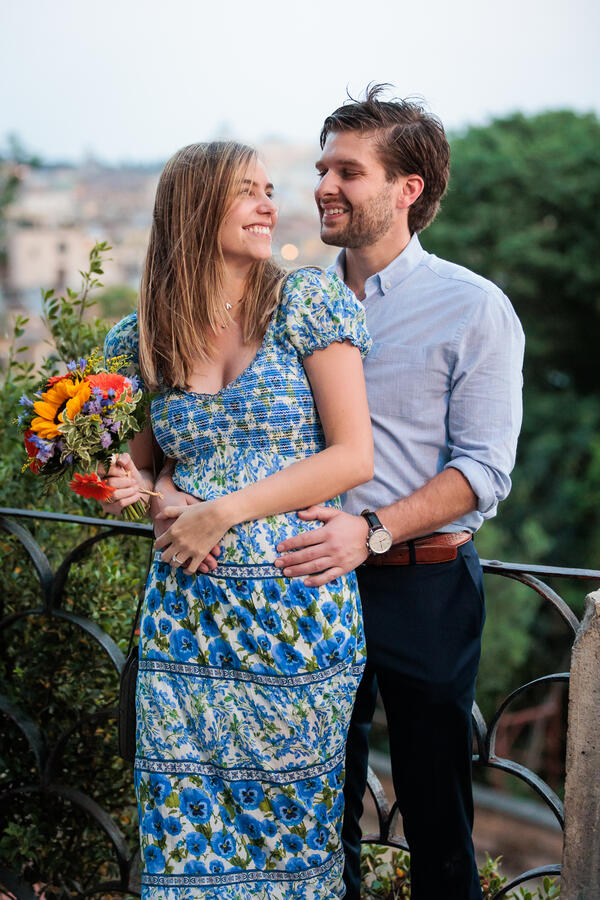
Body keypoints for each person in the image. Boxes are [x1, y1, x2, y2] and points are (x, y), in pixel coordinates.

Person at [102, 140, 374, 899]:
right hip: (185, 621)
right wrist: (156, 495)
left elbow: (354, 456)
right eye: (246, 192)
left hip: (293, 613)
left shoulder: (307, 304)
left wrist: (220, 511)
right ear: (194, 209)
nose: (269, 204)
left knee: (293, 832)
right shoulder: (143, 338)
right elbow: (138, 466)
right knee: (184, 835)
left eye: (267, 189)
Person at [274, 86, 525, 900]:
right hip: (305, 578)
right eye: (321, 168)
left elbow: (484, 469)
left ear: (406, 189)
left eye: (348, 170)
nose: (323, 186)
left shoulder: (474, 307)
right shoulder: (293, 303)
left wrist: (371, 530)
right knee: (314, 812)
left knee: (436, 820)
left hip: (422, 585)